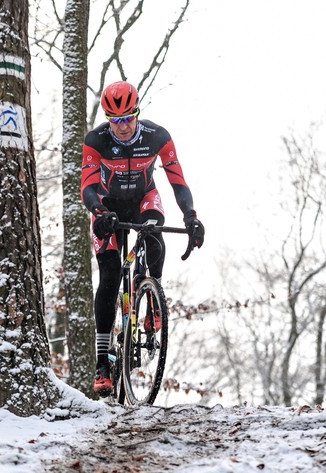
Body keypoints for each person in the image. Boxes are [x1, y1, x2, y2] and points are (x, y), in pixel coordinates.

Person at [80, 80, 205, 395]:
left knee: (154, 235)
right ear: (108, 119)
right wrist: (98, 211)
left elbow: (178, 181)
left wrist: (191, 217)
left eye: (128, 118)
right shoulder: (96, 140)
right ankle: (103, 363)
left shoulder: (157, 137)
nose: (122, 127)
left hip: (144, 200)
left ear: (137, 112)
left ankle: (152, 301)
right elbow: (87, 187)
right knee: (109, 276)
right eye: (115, 121)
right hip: (107, 206)